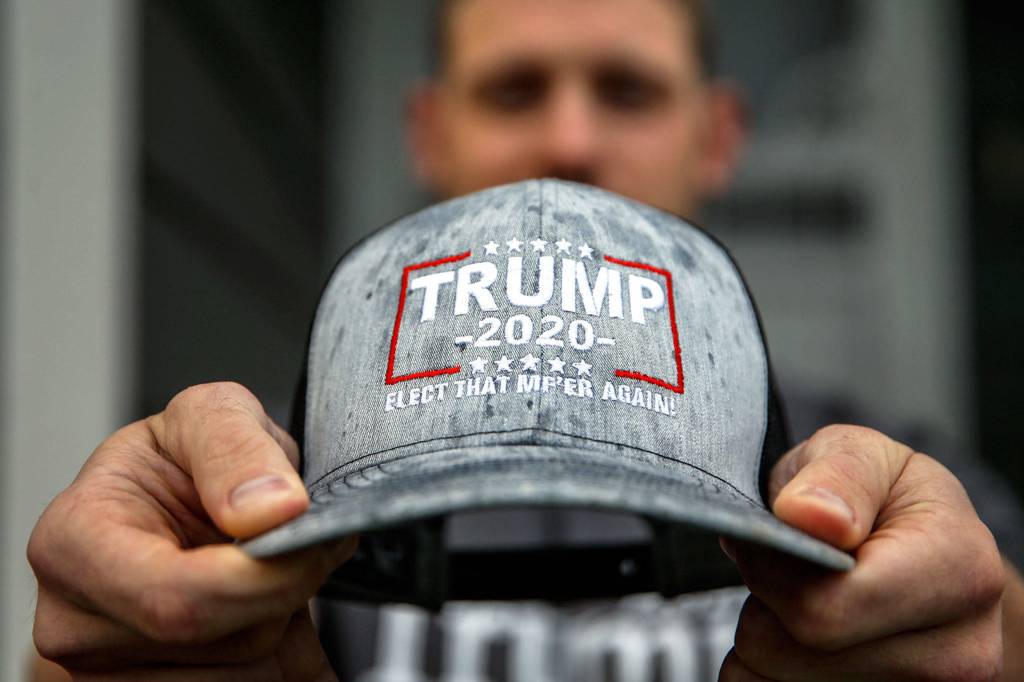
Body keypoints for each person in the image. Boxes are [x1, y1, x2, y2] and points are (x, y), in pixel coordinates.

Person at [27, 0, 1024, 679]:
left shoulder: (873, 481)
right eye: (514, 90)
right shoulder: (278, 473)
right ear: (427, 130)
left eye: (627, 90)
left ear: (716, 134)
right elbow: (107, 643)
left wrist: (992, 641)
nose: (571, 142)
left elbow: (992, 621)